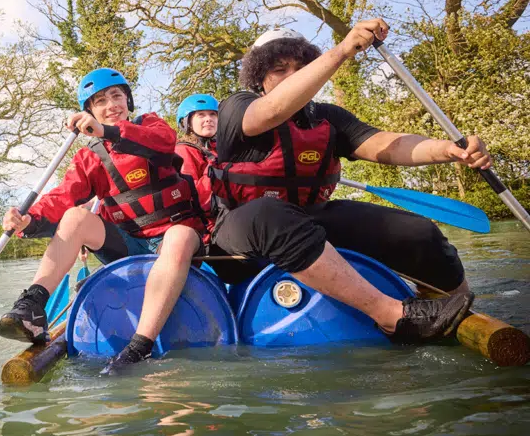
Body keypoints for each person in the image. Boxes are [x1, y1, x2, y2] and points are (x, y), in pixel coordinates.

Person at [209, 20, 487, 343]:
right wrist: (343, 51)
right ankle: (392, 316)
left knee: (420, 233)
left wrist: (448, 150)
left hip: (309, 224)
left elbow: (386, 144)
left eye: (301, 67)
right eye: (280, 70)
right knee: (270, 213)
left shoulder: (326, 117)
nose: (293, 75)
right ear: (260, 77)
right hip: (240, 238)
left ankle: (456, 309)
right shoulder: (236, 107)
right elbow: (270, 111)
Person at [0, 68, 210, 372]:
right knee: (74, 216)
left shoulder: (150, 125)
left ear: (127, 100)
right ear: (90, 111)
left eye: (116, 96)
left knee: (179, 236)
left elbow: (163, 142)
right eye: (100, 101)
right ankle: (33, 305)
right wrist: (28, 220)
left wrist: (108, 131)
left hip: (177, 240)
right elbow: (63, 196)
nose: (111, 105)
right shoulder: (90, 157)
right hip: (129, 245)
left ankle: (139, 347)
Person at [174, 93, 219, 180]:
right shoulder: (184, 151)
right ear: (188, 123)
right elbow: (188, 189)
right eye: (201, 115)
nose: (208, 119)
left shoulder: (221, 147)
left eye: (212, 114)